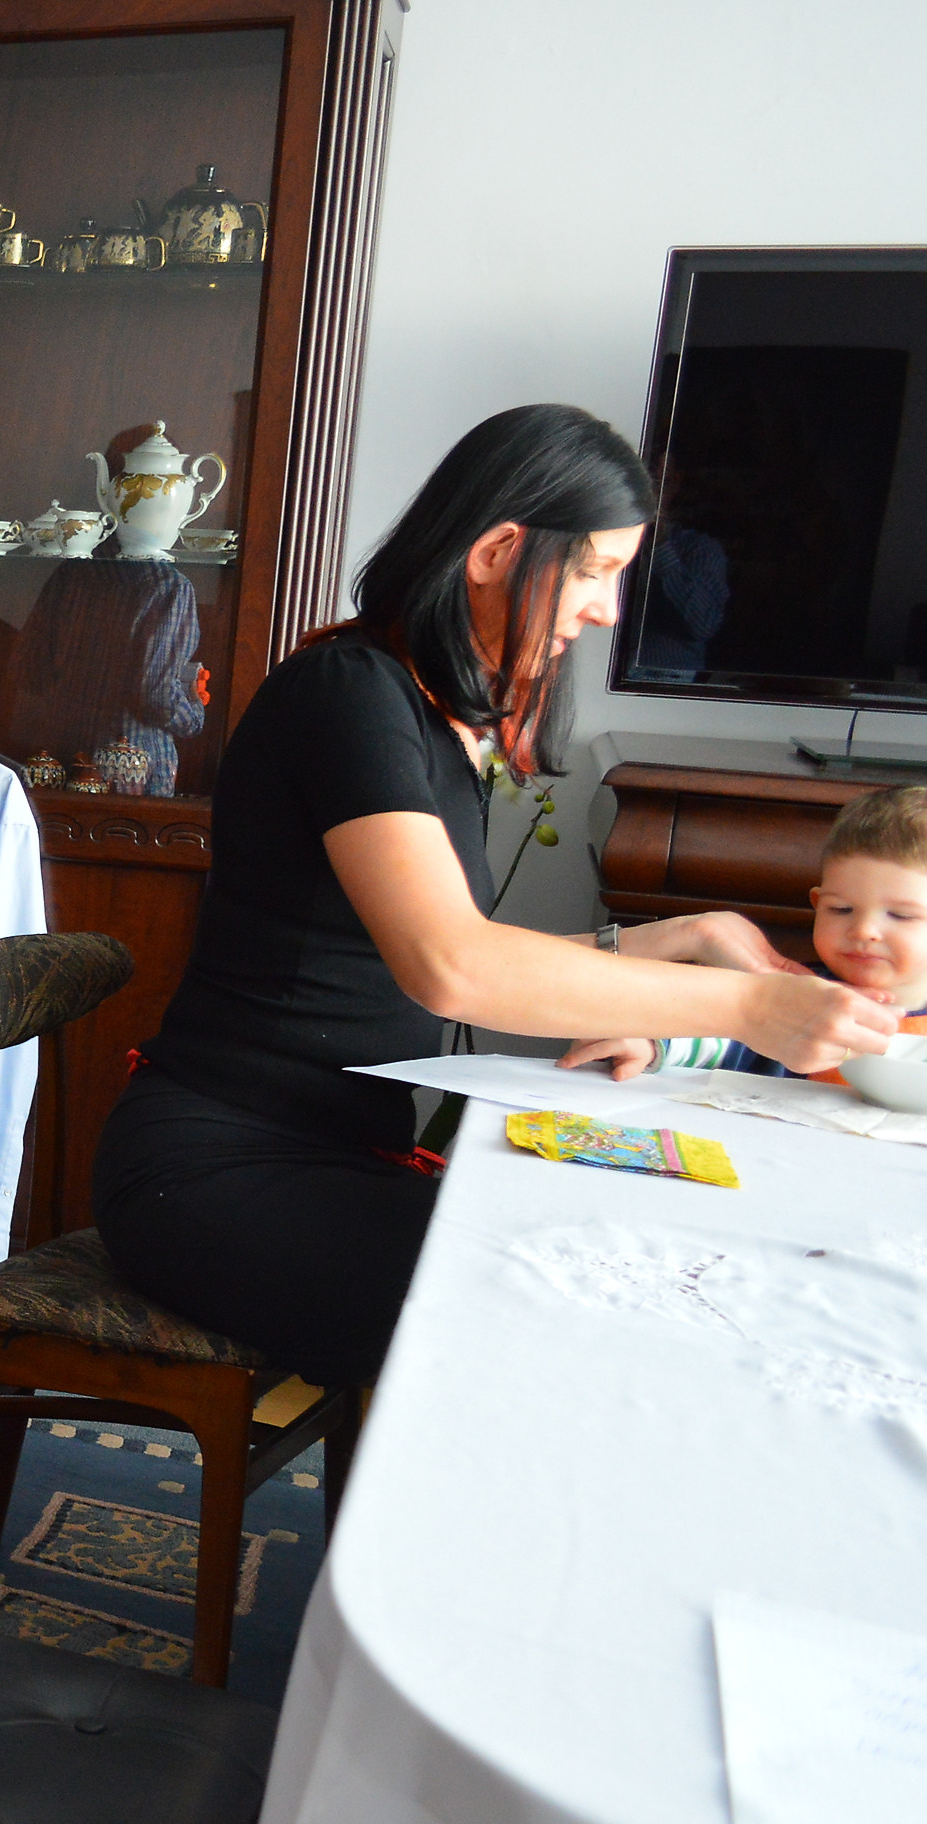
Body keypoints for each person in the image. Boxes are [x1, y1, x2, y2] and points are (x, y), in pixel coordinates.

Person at [92, 404, 899, 1385]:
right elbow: (451, 966)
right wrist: (749, 1005)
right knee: (555, 1315)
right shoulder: (345, 694)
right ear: (497, 551)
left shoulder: (431, 713)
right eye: (594, 571)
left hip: (327, 1152)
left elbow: (440, 952)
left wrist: (683, 934)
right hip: (213, 1169)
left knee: (619, 1268)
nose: (606, 611)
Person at [564, 785, 927, 1081]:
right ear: (817, 904)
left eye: (901, 915)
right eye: (841, 909)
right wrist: (649, 1044)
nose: (863, 930)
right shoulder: (792, 996)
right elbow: (717, 1032)